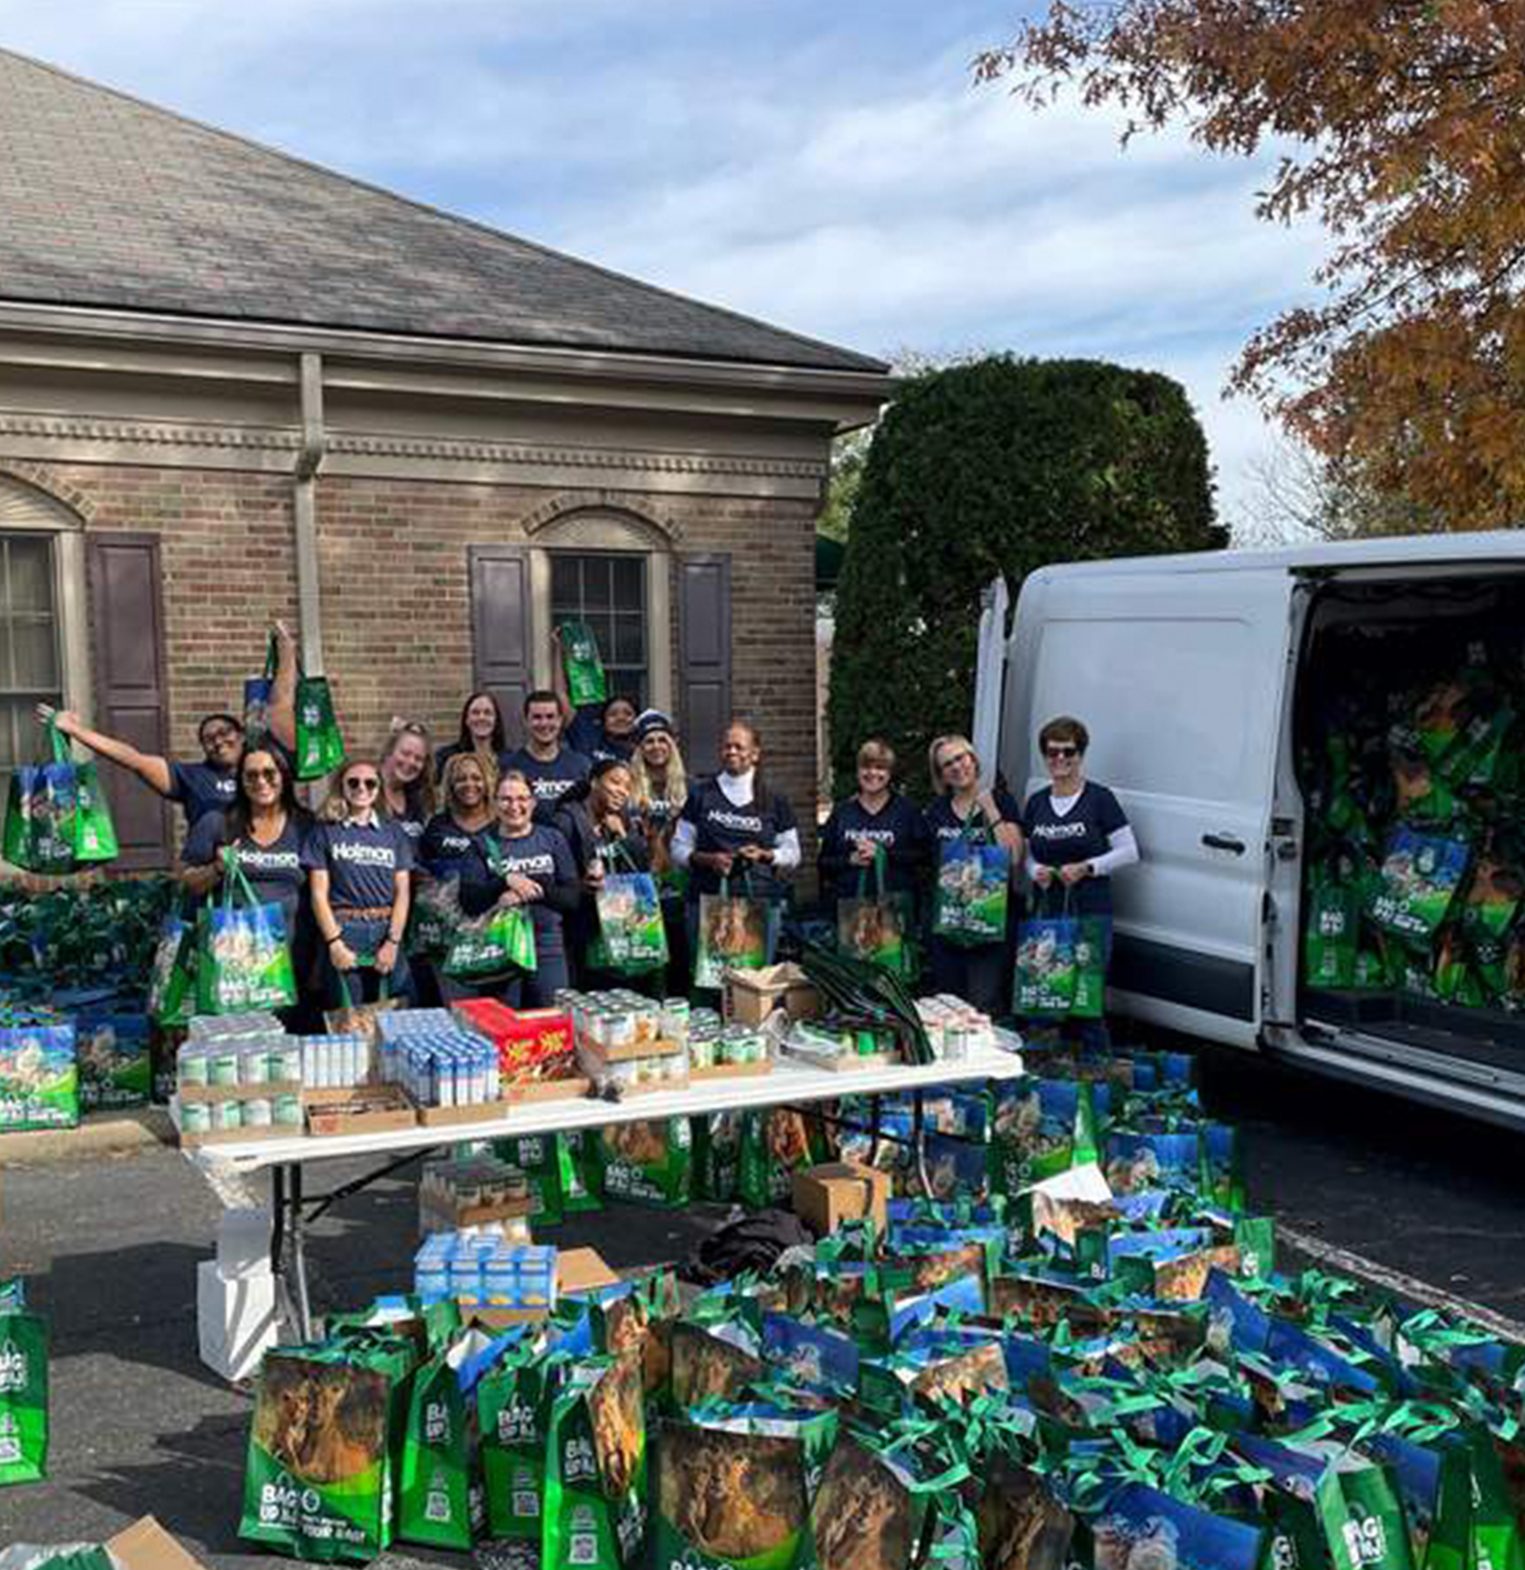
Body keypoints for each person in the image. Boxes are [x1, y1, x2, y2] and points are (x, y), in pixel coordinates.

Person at [35, 622, 298, 829]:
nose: (218, 741)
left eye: (224, 733)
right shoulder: (192, 777)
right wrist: (76, 731)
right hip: (214, 881)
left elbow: (280, 703)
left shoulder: (267, 765)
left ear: (242, 735)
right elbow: (134, 759)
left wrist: (286, 650)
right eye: (208, 739)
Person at [1022, 715, 1139, 1048]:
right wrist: (1035, 872)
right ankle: (1045, 1078)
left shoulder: (1099, 799)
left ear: (1080, 754)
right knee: (1043, 998)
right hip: (1045, 917)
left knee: (1085, 1002)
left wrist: (1088, 867)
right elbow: (1028, 855)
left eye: (1068, 752)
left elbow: (1130, 851)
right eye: (1052, 752)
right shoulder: (1037, 802)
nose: (1060, 759)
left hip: (1090, 914)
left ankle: (1097, 1080)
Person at [179, 744, 316, 1024]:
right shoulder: (218, 822)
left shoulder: (306, 826)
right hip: (234, 966)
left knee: (290, 1051)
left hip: (294, 959)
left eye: (269, 773)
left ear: (284, 776)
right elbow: (187, 881)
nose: (261, 782)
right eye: (251, 775)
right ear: (240, 781)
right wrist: (217, 867)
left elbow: (322, 887)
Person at [446, 769, 579, 1007]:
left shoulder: (553, 838)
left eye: (521, 799)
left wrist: (528, 889)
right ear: (495, 803)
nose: (514, 806)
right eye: (506, 799)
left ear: (533, 802)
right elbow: (469, 901)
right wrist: (504, 881)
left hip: (547, 947)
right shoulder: (481, 844)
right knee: (503, 1026)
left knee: (550, 1023)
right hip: (498, 948)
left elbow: (571, 898)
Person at [923, 733, 1024, 1016]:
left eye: (961, 758)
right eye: (947, 764)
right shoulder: (936, 812)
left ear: (973, 760)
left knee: (983, 1004)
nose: (957, 767)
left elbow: (1014, 856)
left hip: (989, 924)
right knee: (949, 1004)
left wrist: (990, 808)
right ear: (941, 775)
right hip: (950, 925)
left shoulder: (1001, 801)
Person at [304, 758, 414, 1005]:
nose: (361, 788)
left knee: (394, 1014)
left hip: (386, 928)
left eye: (369, 783)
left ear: (378, 789)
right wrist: (334, 944)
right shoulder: (325, 831)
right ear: (341, 786)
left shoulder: (394, 832)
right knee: (347, 1017)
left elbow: (403, 893)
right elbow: (318, 894)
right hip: (344, 929)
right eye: (353, 782)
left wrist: (393, 942)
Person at [672, 718, 800, 904]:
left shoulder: (774, 798)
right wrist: (708, 859)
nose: (732, 752)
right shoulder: (700, 794)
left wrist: (765, 855)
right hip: (707, 899)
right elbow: (678, 848)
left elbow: (793, 853)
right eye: (727, 746)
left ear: (755, 754)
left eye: (739, 747)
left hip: (760, 900)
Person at [554, 759, 653, 989]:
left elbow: (641, 874)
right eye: (615, 782)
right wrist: (582, 884)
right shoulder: (566, 821)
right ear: (594, 782)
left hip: (620, 929)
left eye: (627, 787)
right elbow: (556, 881)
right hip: (582, 932)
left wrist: (625, 838)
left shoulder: (623, 820)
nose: (622, 791)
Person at [818, 738, 930, 904]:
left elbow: (924, 857)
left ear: (889, 774)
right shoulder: (842, 812)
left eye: (880, 768)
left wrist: (883, 854)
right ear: (857, 771)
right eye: (866, 767)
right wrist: (850, 859)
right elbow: (823, 862)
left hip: (895, 907)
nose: (872, 773)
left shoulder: (907, 811)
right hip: (849, 909)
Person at [551, 626, 638, 764]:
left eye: (628, 713)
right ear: (603, 721)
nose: (621, 718)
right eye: (613, 714)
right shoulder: (587, 735)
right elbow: (560, 694)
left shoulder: (644, 749)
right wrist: (559, 649)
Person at [502, 690, 591, 818]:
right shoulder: (509, 765)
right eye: (537, 717)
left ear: (560, 720)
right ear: (526, 721)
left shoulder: (581, 765)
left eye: (550, 717)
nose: (544, 724)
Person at [379, 719, 436, 844]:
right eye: (405, 753)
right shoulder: (367, 789)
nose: (411, 762)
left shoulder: (419, 798)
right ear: (389, 752)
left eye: (418, 758)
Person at [435, 692, 510, 779]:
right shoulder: (447, 757)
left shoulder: (510, 760)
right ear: (466, 720)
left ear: (496, 721)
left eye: (487, 713)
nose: (481, 717)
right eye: (475, 713)